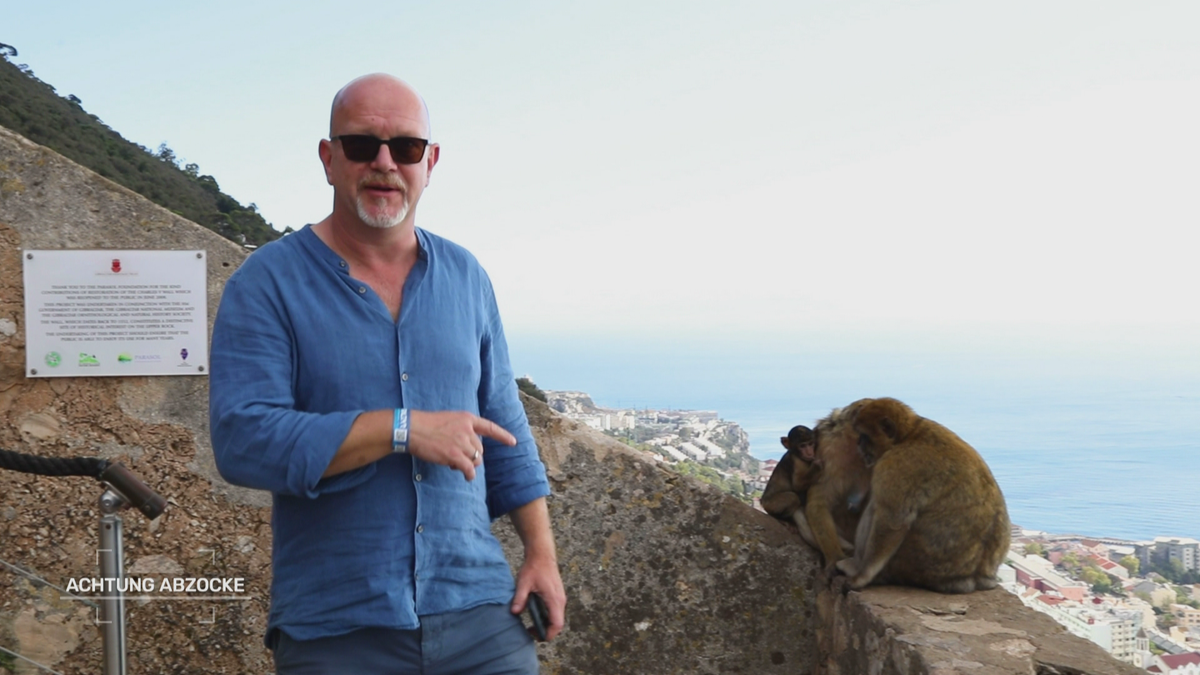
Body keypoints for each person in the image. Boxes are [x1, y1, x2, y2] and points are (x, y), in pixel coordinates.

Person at [208, 73, 565, 675]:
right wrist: (400, 429)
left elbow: (506, 425)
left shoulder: (466, 276)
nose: (384, 164)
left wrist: (541, 555)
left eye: (404, 147)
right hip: (338, 624)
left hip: (480, 611)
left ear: (431, 161)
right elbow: (243, 439)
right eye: (359, 146)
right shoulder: (266, 284)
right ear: (328, 158)